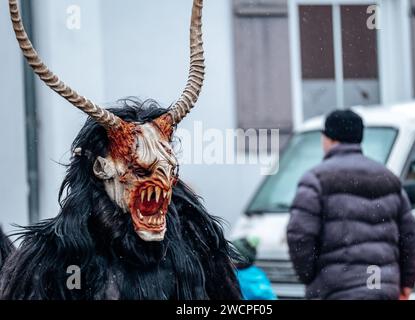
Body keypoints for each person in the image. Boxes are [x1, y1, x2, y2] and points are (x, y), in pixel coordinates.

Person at [0, 0, 241, 300]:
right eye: (139, 170)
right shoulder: (54, 258)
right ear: (103, 170)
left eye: (168, 171)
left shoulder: (198, 244)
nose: (160, 184)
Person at [287, 110, 415, 300]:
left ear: (328, 138)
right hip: (383, 289)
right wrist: (407, 281)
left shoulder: (316, 179)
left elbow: (299, 234)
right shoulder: (388, 178)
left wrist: (309, 275)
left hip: (336, 291)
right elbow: (409, 233)